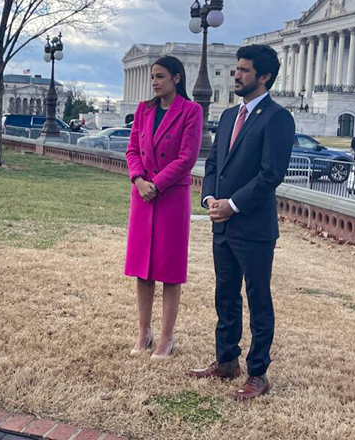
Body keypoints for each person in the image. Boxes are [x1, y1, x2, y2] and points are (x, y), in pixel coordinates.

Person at [187, 45, 294, 400]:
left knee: (258, 298)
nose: (236, 75)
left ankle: (258, 373)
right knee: (225, 295)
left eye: (244, 70)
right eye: (237, 69)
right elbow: (215, 162)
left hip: (254, 227)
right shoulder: (231, 116)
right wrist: (210, 199)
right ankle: (226, 360)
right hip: (222, 223)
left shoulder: (278, 118)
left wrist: (233, 204)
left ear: (264, 77)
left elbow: (271, 174)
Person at [124, 56, 203, 360]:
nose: (155, 82)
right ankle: (144, 332)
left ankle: (166, 338)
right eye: (152, 77)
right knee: (142, 269)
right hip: (142, 196)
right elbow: (132, 150)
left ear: (177, 78)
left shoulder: (191, 111)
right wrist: (139, 180)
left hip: (170, 198)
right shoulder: (144, 110)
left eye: (160, 76)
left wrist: (155, 183)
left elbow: (187, 158)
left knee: (169, 271)